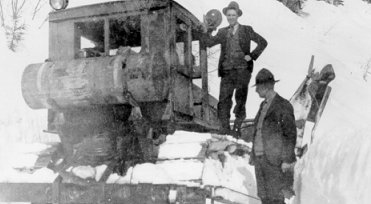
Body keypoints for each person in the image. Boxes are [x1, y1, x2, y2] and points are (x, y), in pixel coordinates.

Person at [202, 1, 268, 134]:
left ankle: (237, 127)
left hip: (243, 70)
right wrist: (207, 29)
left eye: (233, 15)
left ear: (238, 15)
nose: (231, 17)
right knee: (224, 100)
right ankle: (225, 129)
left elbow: (263, 42)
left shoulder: (247, 30)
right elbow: (208, 43)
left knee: (240, 99)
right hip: (227, 71)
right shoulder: (222, 32)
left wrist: (252, 56)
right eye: (228, 15)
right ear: (226, 16)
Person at [250, 68, 297, 204]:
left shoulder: (283, 105)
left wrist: (287, 160)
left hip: (274, 163)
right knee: (265, 199)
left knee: (275, 199)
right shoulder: (262, 105)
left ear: (264, 86)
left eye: (257, 87)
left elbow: (290, 134)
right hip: (260, 160)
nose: (256, 90)